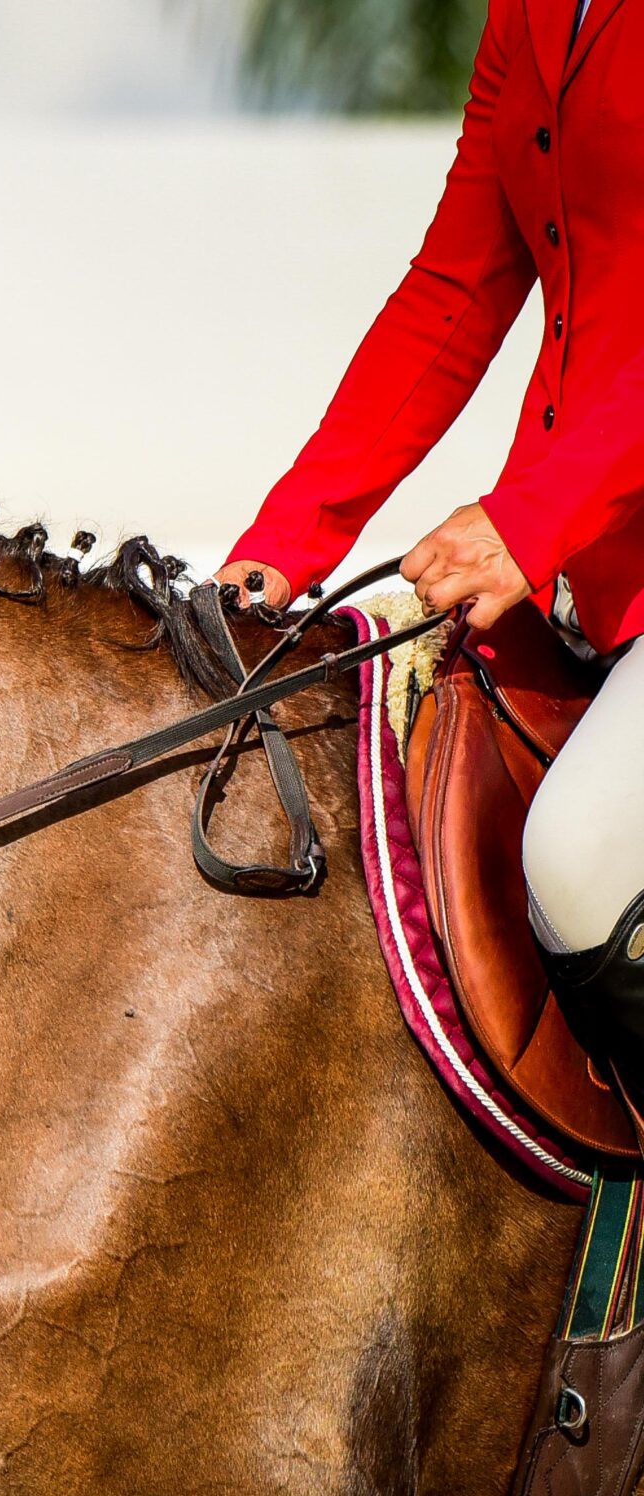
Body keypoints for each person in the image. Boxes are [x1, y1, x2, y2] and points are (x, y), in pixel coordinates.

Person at [216, 0, 643, 1114]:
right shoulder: (529, 17)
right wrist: (283, 546)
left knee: (579, 858)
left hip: (574, 542)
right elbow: (455, 286)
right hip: (580, 586)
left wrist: (530, 518)